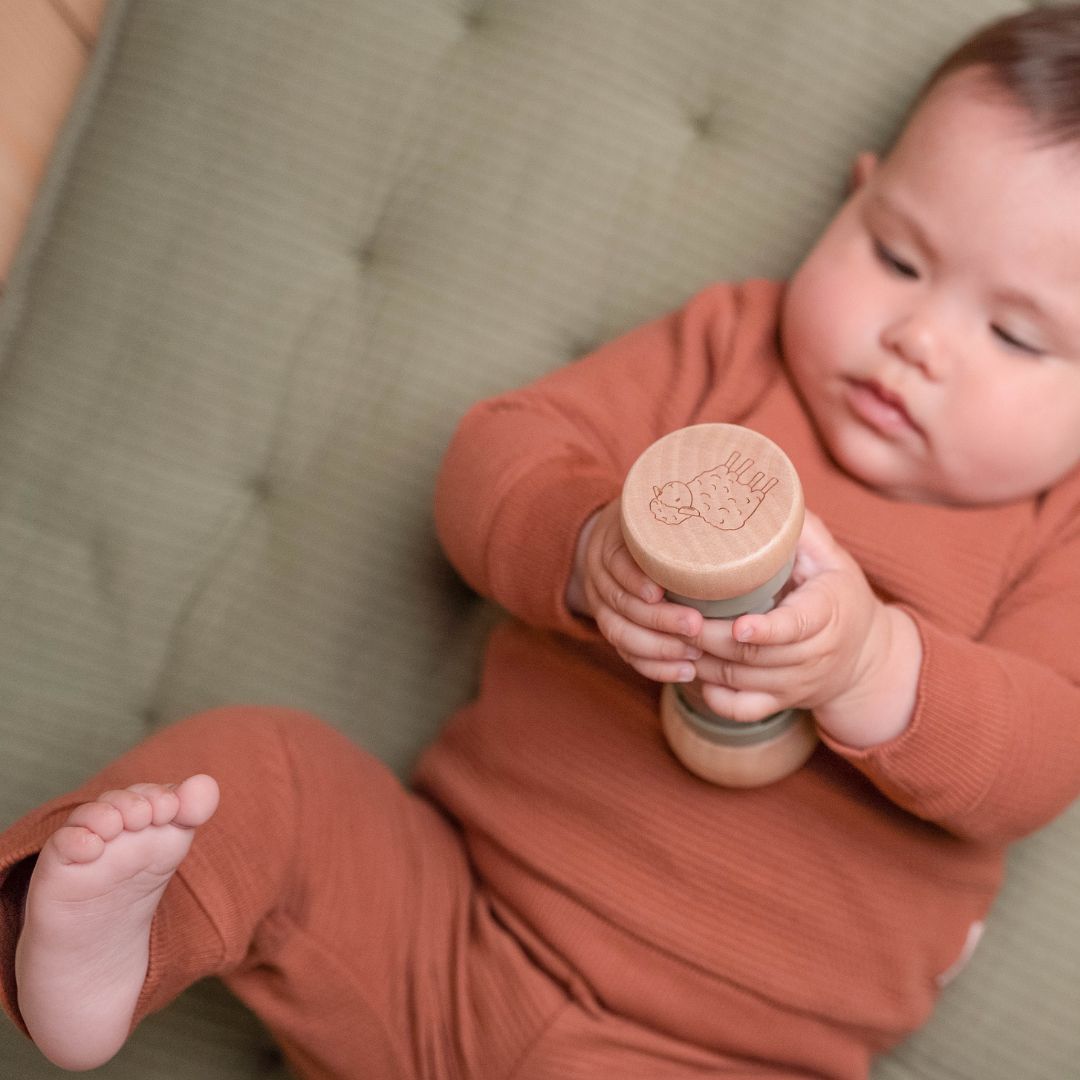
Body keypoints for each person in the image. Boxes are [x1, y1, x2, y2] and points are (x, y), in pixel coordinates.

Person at [5, 6, 1080, 1078]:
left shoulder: (1056, 526)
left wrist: (871, 663)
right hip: (449, 926)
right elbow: (499, 454)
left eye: (1016, 334)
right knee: (263, 778)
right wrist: (589, 542)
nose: (919, 338)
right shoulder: (729, 350)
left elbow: (1041, 752)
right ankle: (116, 939)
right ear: (855, 196)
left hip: (726, 1054)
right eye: (895, 256)